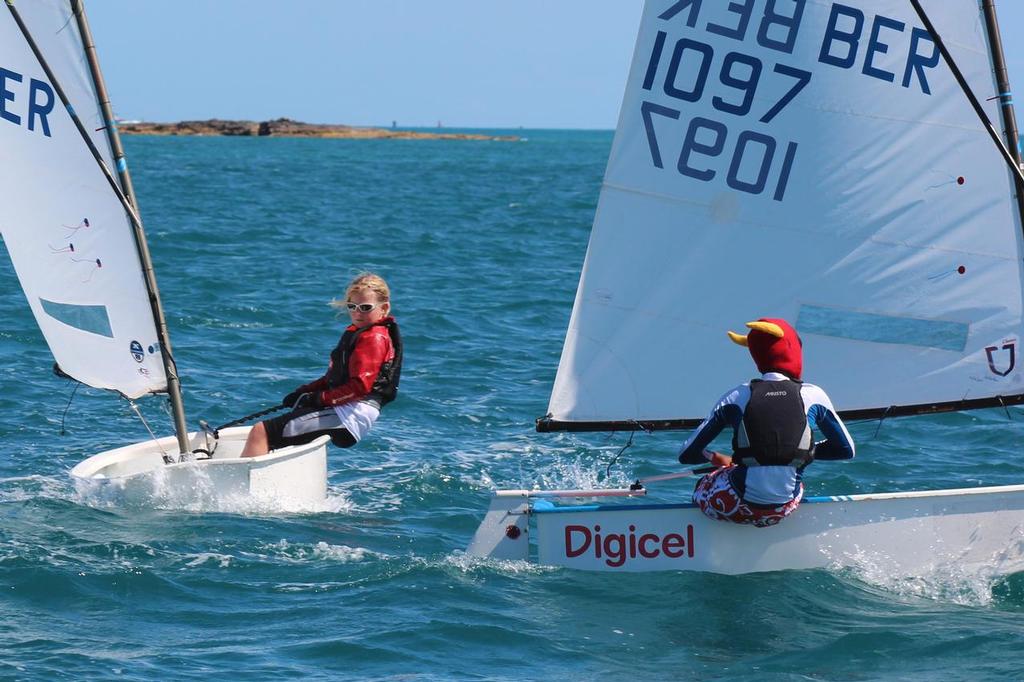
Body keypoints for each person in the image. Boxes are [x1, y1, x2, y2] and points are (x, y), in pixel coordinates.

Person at [677, 318, 854, 527]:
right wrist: (802, 450)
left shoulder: (737, 396)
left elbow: (686, 454)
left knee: (706, 482)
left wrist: (714, 457)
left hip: (730, 506)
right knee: (793, 479)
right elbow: (845, 450)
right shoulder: (814, 394)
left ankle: (705, 540)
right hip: (783, 508)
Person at [241, 272, 402, 457]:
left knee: (261, 432)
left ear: (384, 308)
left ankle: (240, 485)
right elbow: (332, 379)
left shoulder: (373, 337)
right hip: (345, 408)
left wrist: (319, 398)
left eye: (365, 307)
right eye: (352, 306)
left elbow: (359, 387)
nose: (357, 313)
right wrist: (303, 392)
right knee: (280, 429)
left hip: (351, 413)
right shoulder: (359, 333)